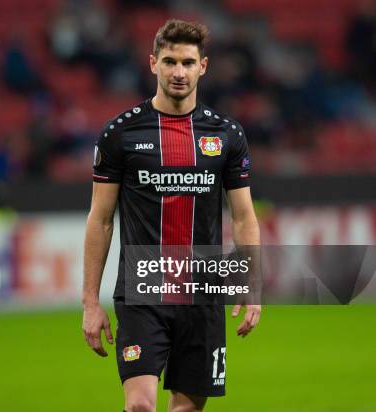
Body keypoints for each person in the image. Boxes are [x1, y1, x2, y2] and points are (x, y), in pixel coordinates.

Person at [82, 19, 261, 412]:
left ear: (203, 66)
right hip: (142, 290)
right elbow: (101, 219)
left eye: (187, 62)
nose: (178, 72)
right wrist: (90, 302)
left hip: (203, 293)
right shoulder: (120, 134)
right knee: (140, 406)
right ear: (152, 64)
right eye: (169, 61)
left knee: (185, 408)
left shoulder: (226, 135)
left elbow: (244, 216)